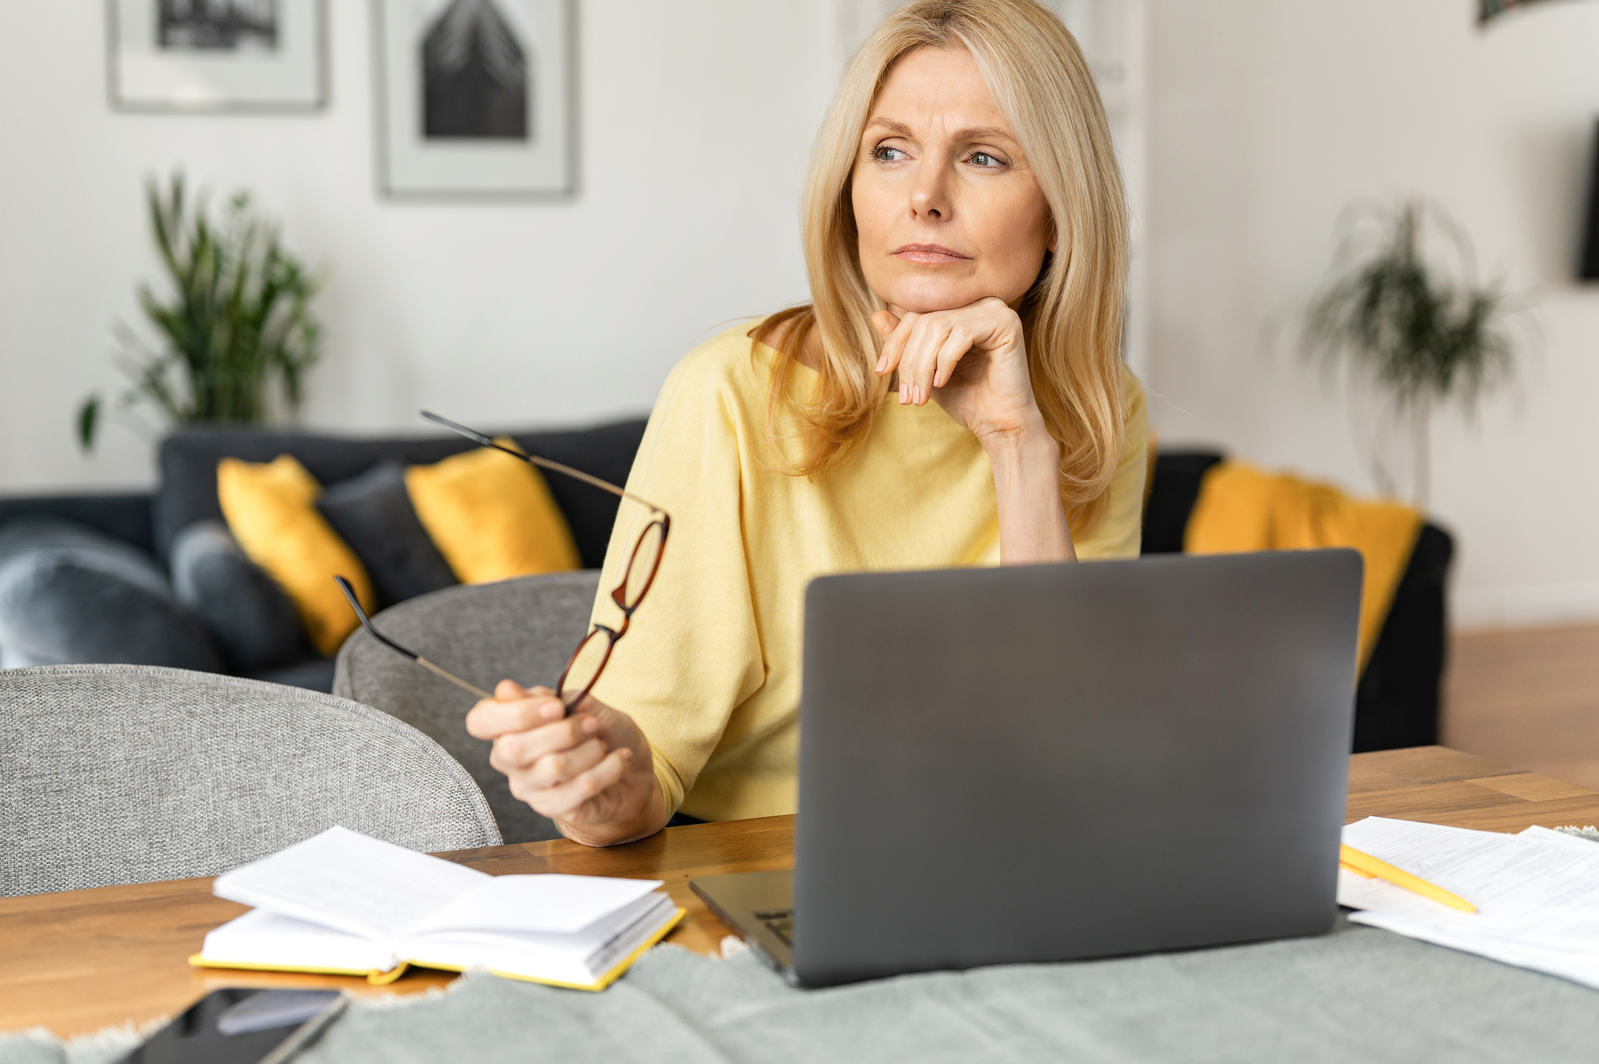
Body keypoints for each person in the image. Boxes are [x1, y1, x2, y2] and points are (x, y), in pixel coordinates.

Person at [466, 0, 1148, 846]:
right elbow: (644, 779)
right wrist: (600, 784)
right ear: (847, 189)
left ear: (1059, 209)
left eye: (982, 156)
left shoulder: (1096, 401)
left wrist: (1019, 446)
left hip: (1004, 854)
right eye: (889, 151)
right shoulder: (731, 391)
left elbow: (1063, 755)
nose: (924, 198)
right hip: (768, 868)